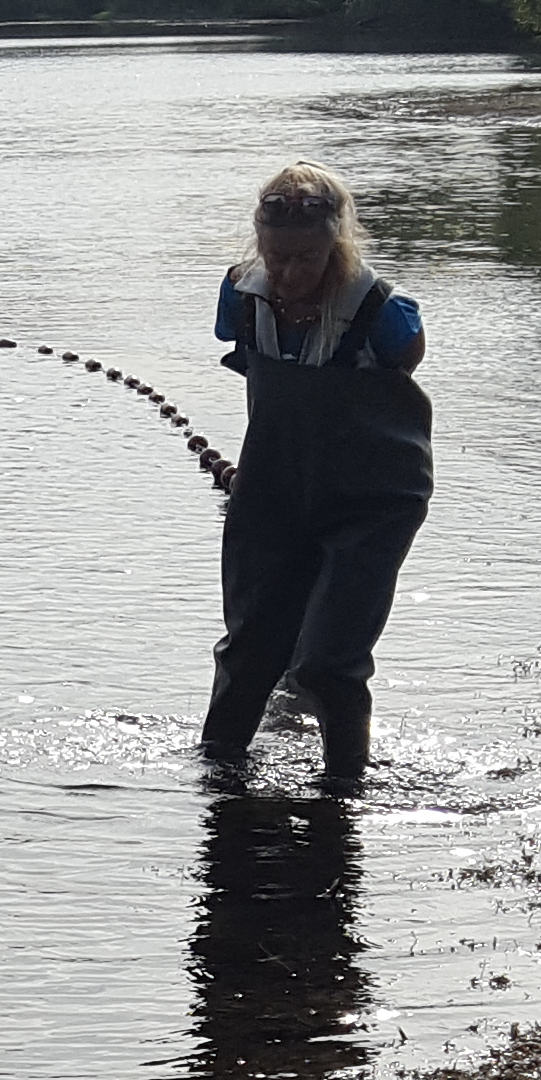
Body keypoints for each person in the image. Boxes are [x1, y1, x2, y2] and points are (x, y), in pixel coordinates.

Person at [203, 163, 430, 793]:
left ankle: (345, 792)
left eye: (305, 258)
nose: (288, 273)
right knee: (249, 652)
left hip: (373, 498)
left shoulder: (383, 314)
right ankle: (216, 779)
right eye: (276, 257)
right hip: (274, 493)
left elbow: (402, 378)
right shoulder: (241, 299)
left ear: (336, 242)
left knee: (328, 664)